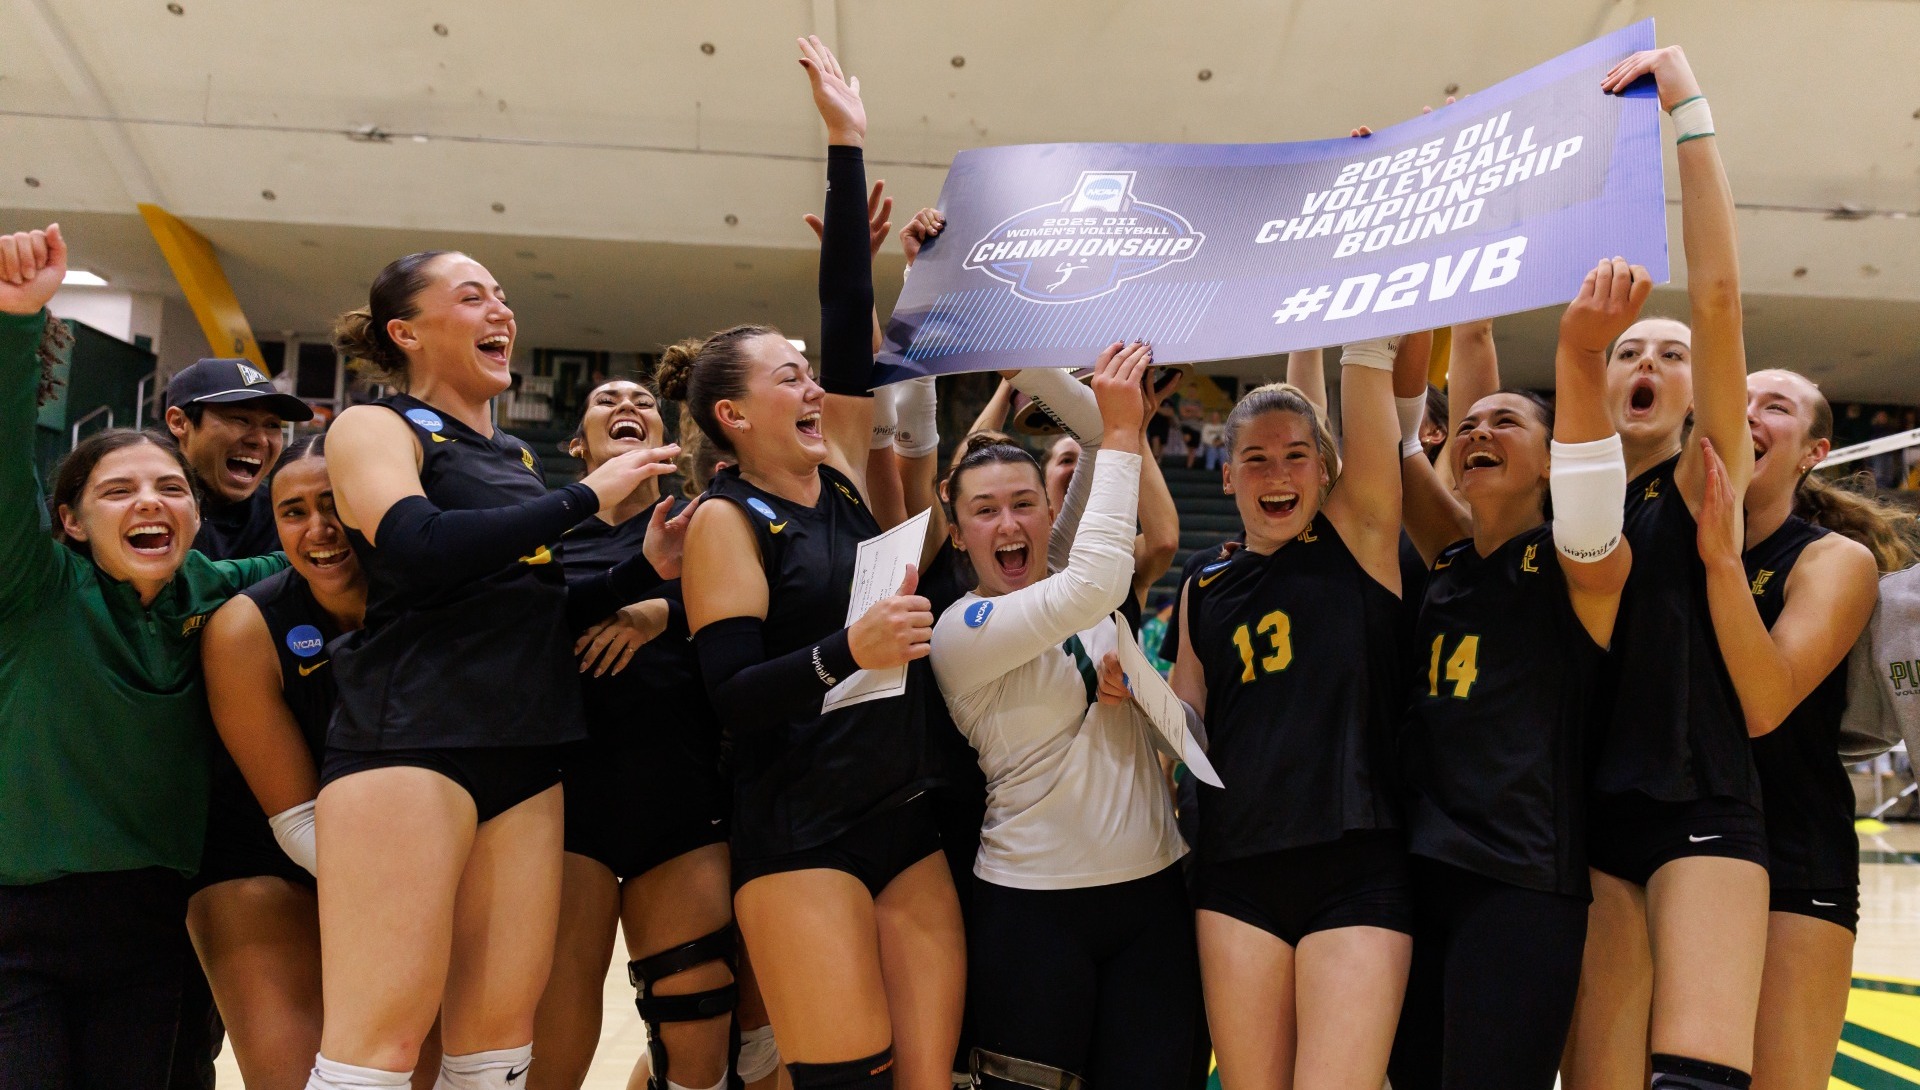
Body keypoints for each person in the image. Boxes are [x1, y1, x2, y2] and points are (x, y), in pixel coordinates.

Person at [306, 249, 677, 1090]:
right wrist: (591, 497)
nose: (502, 312)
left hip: (528, 747)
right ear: (406, 331)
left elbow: (531, 604)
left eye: (504, 298)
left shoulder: (513, 456)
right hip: (411, 745)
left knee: (498, 1047)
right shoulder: (376, 427)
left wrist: (641, 570)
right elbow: (421, 547)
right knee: (381, 1047)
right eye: (473, 297)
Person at [672, 36, 962, 1090]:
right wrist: (849, 648)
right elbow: (733, 698)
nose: (813, 384)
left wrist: (847, 145)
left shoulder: (837, 464)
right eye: (786, 376)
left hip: (901, 816)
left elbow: (848, 319)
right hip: (798, 836)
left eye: (810, 375)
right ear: (731, 414)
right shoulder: (723, 520)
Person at [0, 223, 285, 1088]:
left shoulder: (230, 591)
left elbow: (356, 555)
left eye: (169, 488)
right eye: (117, 491)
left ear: (196, 514)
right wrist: (17, 322)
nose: (150, 502)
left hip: (162, 933)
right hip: (15, 931)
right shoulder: (37, 588)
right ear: (72, 523)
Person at [1562, 45, 1767, 1090]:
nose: (1648, 363)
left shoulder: (1696, 485)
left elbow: (1722, 295)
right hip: (1589, 817)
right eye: (1631, 348)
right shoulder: (1573, 498)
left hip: (1702, 802)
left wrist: (1687, 105)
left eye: (1671, 354)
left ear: (1695, 392)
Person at [1387, 261, 1643, 1090]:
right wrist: (1444, 241)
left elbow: (1592, 474)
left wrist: (1583, 353)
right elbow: (1396, 430)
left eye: (1506, 424)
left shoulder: (1579, 560)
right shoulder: (1448, 553)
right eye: (1466, 427)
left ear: (1549, 464)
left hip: (1521, 881)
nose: (1477, 432)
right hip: (1413, 872)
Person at [931, 342, 1198, 1088]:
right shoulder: (962, 630)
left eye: (1024, 503)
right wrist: (1121, 431)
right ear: (957, 532)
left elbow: (1189, 738)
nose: (1007, 522)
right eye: (984, 511)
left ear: (1052, 511)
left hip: (1153, 898)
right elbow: (1097, 580)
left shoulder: (1070, 580)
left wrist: (1020, 350)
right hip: (1031, 911)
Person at [1169, 335, 1409, 1090]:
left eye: (1296, 455)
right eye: (1257, 459)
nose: (1277, 474)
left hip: (1358, 862)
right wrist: (1129, 699)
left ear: (1326, 467)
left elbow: (1367, 369)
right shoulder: (1202, 588)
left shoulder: (1361, 540)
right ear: (1229, 472)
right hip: (1236, 872)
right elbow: (1187, 720)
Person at [194, 436, 442, 1090]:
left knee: (422, 1070)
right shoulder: (245, 628)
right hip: (268, 858)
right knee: (298, 1078)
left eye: (334, 505)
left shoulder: (437, 603)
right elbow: (297, 820)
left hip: (416, 860)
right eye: (294, 511)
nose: (319, 529)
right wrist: (405, 892)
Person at [532, 378, 755, 1090]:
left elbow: (769, 620)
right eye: (605, 400)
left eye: (641, 400)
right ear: (578, 445)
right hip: (567, 811)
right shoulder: (542, 534)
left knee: (699, 1048)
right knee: (551, 1051)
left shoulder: (709, 523)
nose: (626, 406)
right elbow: (509, 631)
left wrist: (667, 611)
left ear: (669, 437)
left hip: (682, 802)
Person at [1693, 371, 1884, 1090]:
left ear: (1813, 451)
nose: (1747, 416)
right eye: (1734, 401)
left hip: (1792, 856)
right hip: (1671, 851)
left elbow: (1763, 703)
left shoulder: (1835, 561)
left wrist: (1721, 562)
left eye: (1773, 409)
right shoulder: (1656, 544)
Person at [165, 355, 315, 559]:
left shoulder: (282, 512)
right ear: (179, 422)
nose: (261, 440)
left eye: (272, 425)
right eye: (240, 420)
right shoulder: (143, 508)